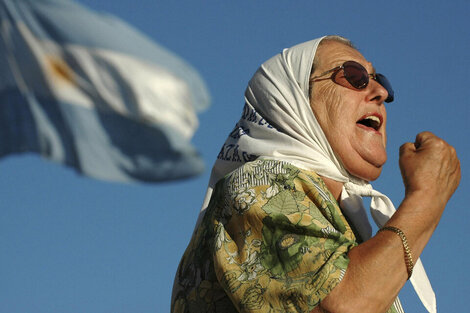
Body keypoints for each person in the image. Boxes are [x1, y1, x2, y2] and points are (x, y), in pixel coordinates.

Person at [171, 36, 460, 313]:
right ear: (293, 100)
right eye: (354, 75)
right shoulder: (260, 183)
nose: (380, 92)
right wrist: (427, 197)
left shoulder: (339, 223)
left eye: (379, 80)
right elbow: (342, 306)